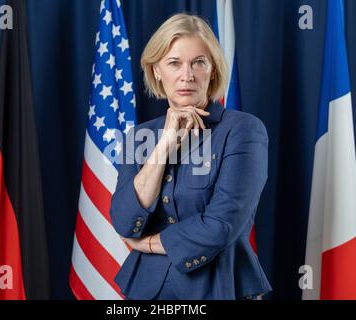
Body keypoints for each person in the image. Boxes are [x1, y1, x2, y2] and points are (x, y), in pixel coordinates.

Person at [110, 13, 271, 300]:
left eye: (199, 62)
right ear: (156, 70)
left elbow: (220, 226)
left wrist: (145, 244)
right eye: (174, 63)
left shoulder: (243, 130)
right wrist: (164, 146)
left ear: (213, 70)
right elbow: (124, 221)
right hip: (146, 291)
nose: (187, 75)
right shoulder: (139, 137)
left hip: (221, 287)